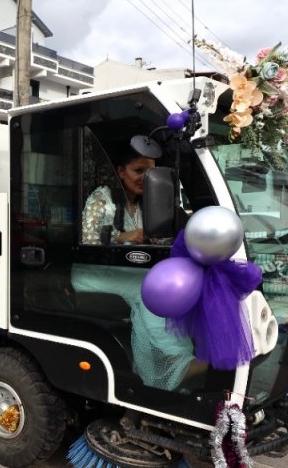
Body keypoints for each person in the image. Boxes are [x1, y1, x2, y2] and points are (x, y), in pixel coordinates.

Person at [73, 140, 196, 391]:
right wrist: (125, 236)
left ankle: (156, 369)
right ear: (120, 171)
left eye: (150, 173)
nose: (144, 178)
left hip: (125, 270)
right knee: (149, 286)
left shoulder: (146, 205)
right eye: (138, 171)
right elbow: (87, 240)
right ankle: (173, 357)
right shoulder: (102, 198)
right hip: (93, 273)